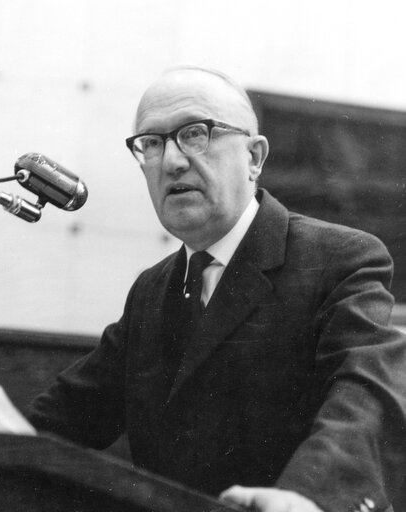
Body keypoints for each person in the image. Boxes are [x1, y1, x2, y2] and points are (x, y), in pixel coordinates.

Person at [28, 66, 406, 512]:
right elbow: (67, 416)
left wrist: (306, 498)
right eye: (151, 143)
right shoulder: (152, 290)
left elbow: (366, 398)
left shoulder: (340, 259)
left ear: (254, 157)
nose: (171, 161)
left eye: (196, 133)